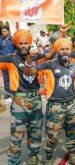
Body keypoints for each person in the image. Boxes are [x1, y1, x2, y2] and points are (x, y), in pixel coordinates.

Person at [24, 38, 75, 165]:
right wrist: (29, 60)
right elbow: (29, 72)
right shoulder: (50, 64)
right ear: (57, 50)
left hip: (72, 105)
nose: (64, 52)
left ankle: (73, 156)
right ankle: (48, 159)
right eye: (61, 49)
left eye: (67, 49)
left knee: (72, 133)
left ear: (71, 50)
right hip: (56, 106)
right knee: (52, 136)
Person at [0, 29, 44, 165]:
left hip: (36, 100)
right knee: (17, 136)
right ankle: (14, 162)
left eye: (26, 43)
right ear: (16, 44)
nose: (24, 46)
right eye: (20, 43)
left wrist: (62, 35)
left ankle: (33, 158)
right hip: (19, 102)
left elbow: (55, 53)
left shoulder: (38, 58)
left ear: (30, 43)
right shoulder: (11, 59)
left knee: (36, 133)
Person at [0, 26, 15, 98]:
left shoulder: (13, 39)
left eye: (4, 31)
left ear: (8, 31)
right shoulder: (0, 39)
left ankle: (13, 92)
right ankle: (7, 92)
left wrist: (12, 54)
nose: (3, 33)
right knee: (5, 77)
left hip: (11, 61)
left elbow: (17, 49)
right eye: (2, 31)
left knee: (12, 76)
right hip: (3, 61)